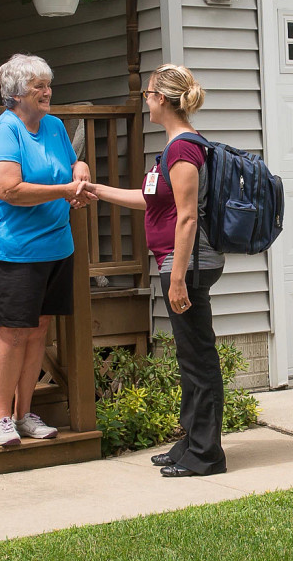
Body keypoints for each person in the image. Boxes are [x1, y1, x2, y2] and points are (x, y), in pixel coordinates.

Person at [85, 64, 226, 477]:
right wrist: (96, 191)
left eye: (148, 94)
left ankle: (206, 456)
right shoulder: (174, 148)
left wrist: (178, 276)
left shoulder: (182, 149)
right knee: (189, 356)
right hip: (179, 262)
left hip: (187, 264)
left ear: (161, 99)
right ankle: (191, 443)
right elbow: (152, 201)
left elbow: (186, 218)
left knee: (198, 358)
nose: (145, 100)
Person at [0, 53, 90, 448]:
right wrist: (64, 190)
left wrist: (81, 171)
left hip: (55, 244)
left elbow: (71, 167)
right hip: (11, 248)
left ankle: (24, 414)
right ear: (15, 94)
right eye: (38, 85)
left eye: (47, 83)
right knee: (13, 330)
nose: (47, 91)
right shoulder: (5, 131)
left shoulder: (54, 126)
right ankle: (1, 418)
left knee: (39, 328)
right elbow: (8, 189)